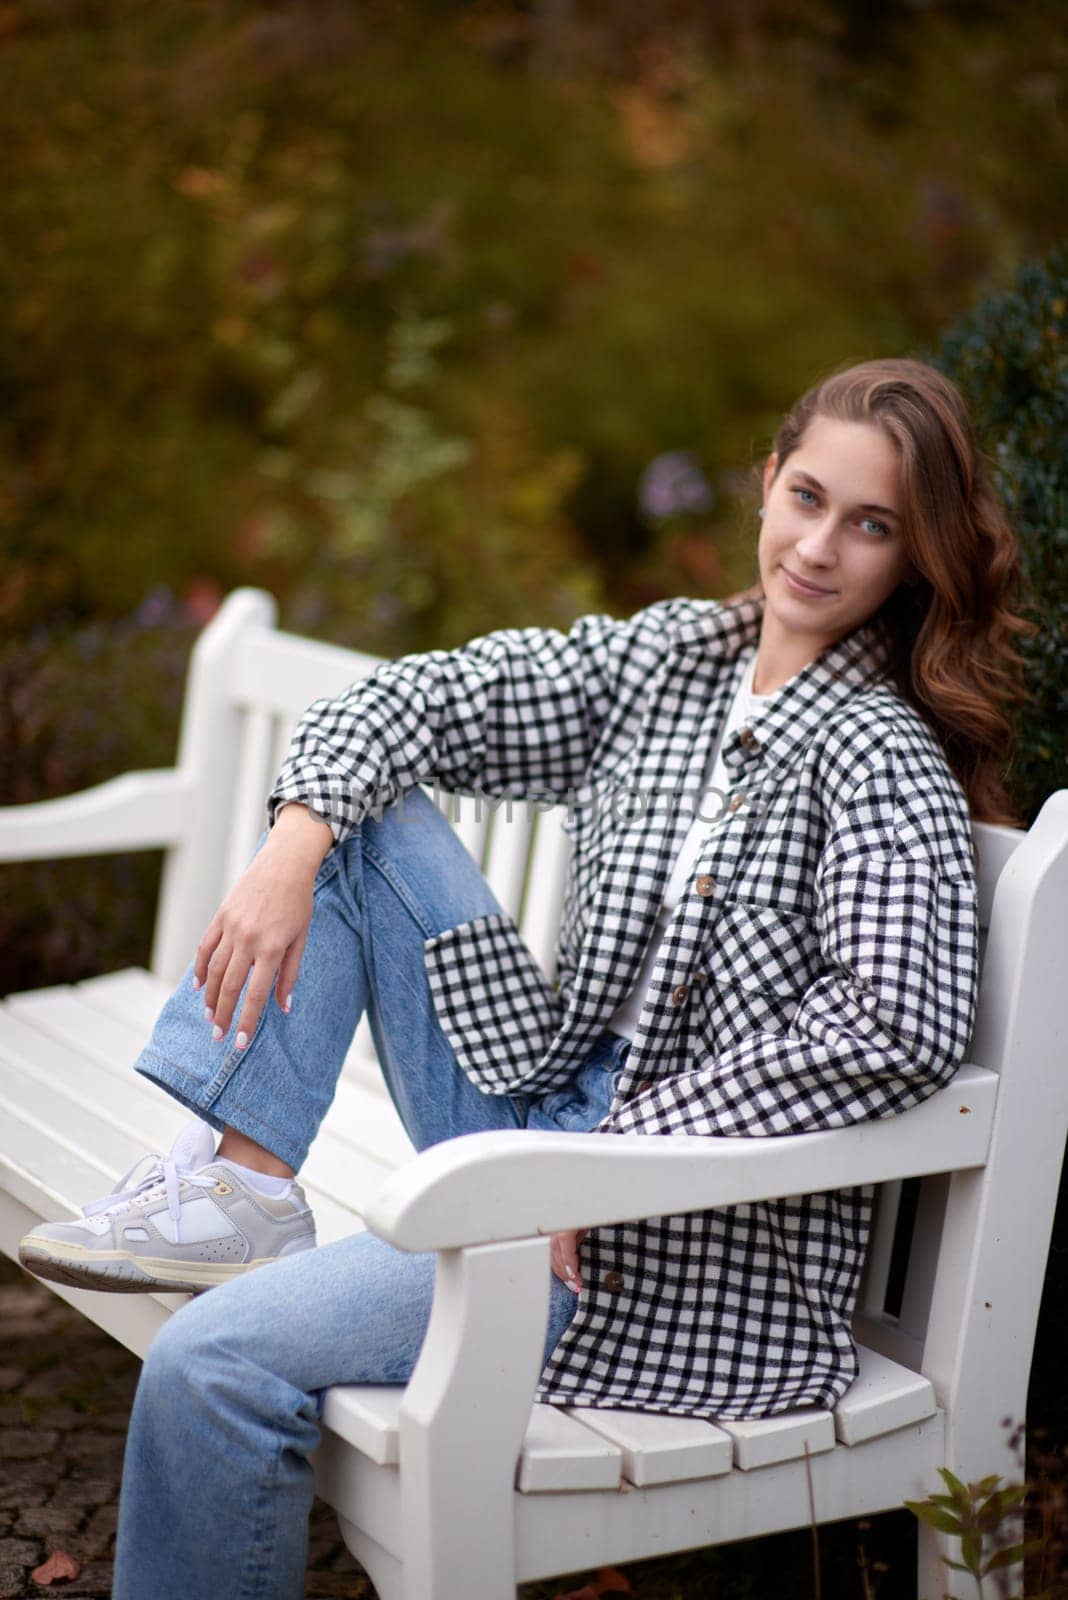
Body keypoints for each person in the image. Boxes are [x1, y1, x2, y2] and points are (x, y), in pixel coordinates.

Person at [19, 357, 1030, 1600]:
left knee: (209, 1366)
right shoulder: (675, 664)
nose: (820, 547)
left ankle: (250, 1226)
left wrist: (626, 1154)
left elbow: (896, 1021)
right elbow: (410, 698)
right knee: (358, 811)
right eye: (808, 496)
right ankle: (245, 1188)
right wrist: (296, 836)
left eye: (871, 524)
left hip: (652, 1249)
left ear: (913, 557)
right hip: (531, 1126)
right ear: (767, 483)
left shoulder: (879, 757)